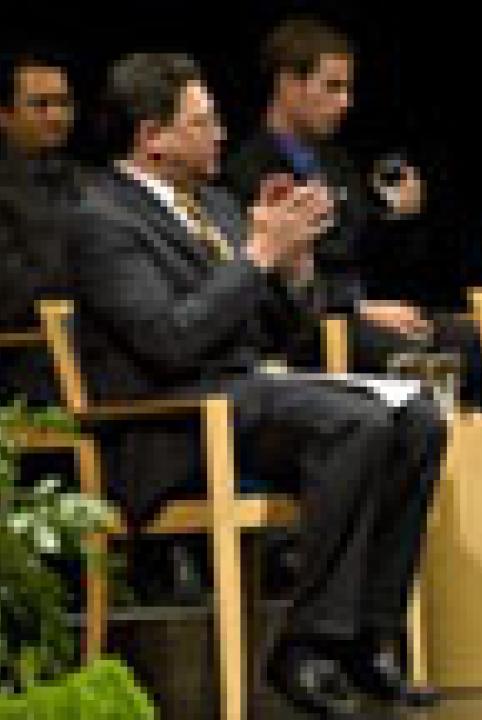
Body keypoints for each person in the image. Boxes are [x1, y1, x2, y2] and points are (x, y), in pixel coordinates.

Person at [72, 53, 442, 716]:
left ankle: (367, 635)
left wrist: (294, 265)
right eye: (202, 122)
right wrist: (257, 255)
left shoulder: (212, 203)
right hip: (169, 420)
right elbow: (169, 340)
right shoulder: (102, 219)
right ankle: (307, 645)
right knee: (353, 421)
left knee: (419, 415)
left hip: (248, 401)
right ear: (152, 137)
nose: (220, 135)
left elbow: (283, 331)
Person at [225, 17, 482, 404]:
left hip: (369, 312)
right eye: (332, 87)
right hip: (310, 325)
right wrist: (357, 307)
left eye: (348, 88)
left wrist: (400, 219)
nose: (345, 103)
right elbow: (270, 283)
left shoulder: (339, 163)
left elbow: (369, 256)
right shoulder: (247, 172)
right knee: (423, 361)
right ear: (287, 84)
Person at [0, 51, 84, 403]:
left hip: (96, 348)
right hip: (26, 360)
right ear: (5, 115)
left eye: (64, 103)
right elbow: (11, 297)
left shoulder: (91, 182)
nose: (57, 116)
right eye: (41, 104)